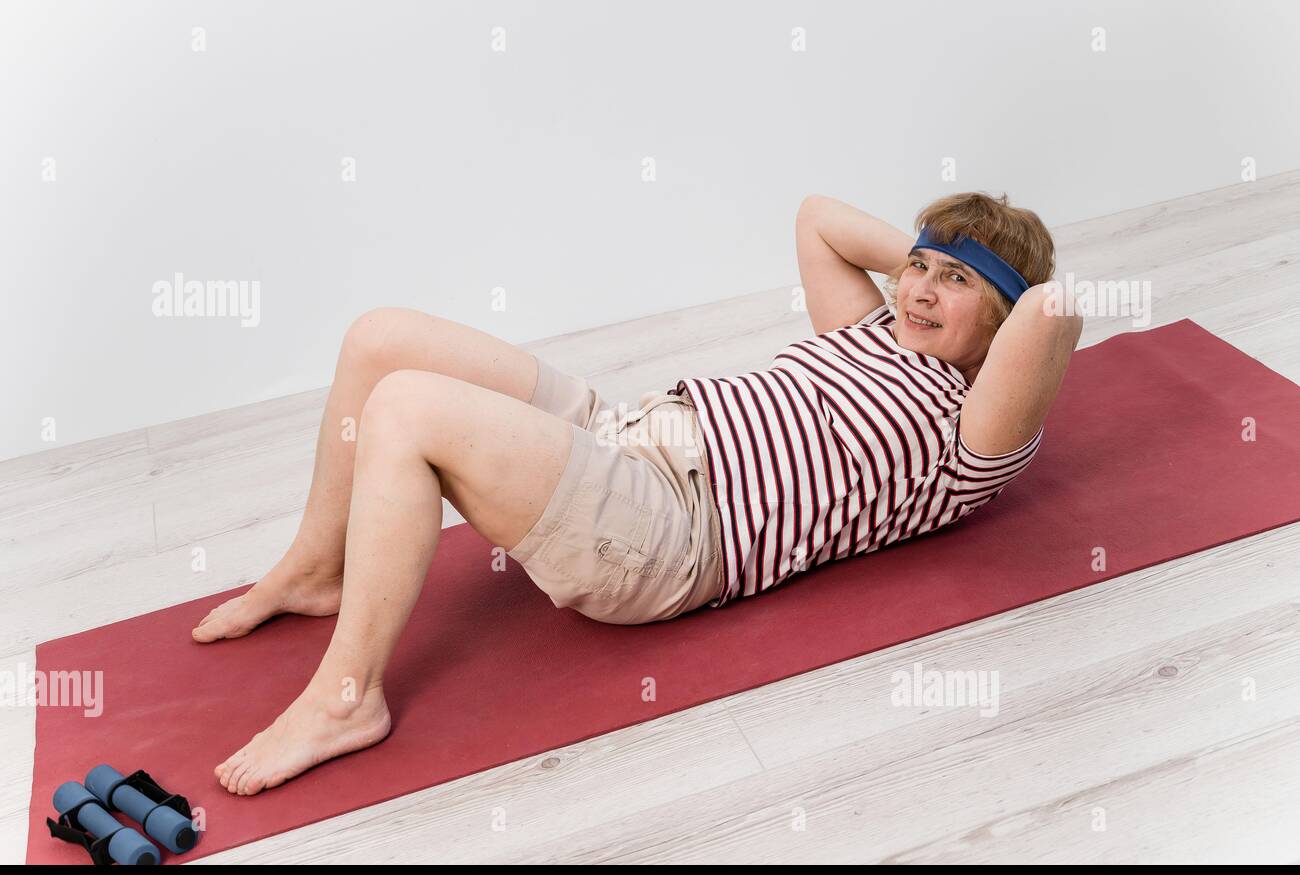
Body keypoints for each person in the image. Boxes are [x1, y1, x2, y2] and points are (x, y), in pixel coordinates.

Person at [196, 191, 1083, 795]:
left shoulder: (969, 438)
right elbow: (817, 217)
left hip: (672, 534)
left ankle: (349, 699)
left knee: (405, 410)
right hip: (627, 433)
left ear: (1003, 317)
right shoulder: (875, 328)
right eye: (919, 268)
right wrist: (935, 260)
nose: (920, 289)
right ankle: (318, 570)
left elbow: (1052, 313)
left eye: (955, 282)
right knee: (380, 338)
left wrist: (1004, 277)